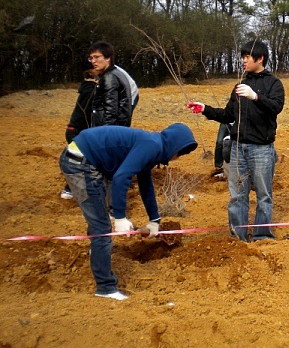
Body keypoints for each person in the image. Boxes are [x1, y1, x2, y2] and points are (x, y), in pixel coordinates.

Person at [59, 123, 198, 300]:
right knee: (101, 226)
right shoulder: (152, 146)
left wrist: (154, 219)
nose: (176, 158)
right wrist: (119, 217)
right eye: (180, 153)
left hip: (84, 158)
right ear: (175, 146)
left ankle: (98, 253)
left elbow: (145, 184)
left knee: (99, 221)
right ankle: (105, 288)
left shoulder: (153, 144)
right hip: (80, 162)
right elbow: (121, 178)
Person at [187, 40, 284, 242]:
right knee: (237, 195)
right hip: (238, 149)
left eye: (247, 57)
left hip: (262, 150)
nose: (243, 61)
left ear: (260, 58)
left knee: (264, 195)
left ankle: (262, 235)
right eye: (243, 57)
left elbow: (276, 107)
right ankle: (238, 237)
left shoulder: (274, 84)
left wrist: (256, 97)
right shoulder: (240, 86)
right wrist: (205, 109)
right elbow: (228, 115)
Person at [60, 57, 99, 200]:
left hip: (74, 130)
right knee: (82, 162)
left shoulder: (86, 88)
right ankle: (69, 190)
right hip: (77, 132)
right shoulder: (91, 90)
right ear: (90, 72)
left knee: (84, 161)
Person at [89, 41, 137, 127]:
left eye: (96, 57)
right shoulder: (116, 73)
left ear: (108, 58)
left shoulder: (110, 77)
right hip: (118, 128)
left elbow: (110, 110)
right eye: (91, 58)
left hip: (109, 129)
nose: (93, 61)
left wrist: (104, 131)